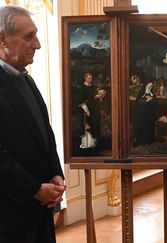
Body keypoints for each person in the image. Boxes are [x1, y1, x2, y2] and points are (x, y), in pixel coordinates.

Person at [0, 6, 65, 243]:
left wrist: (56, 173)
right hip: (9, 219)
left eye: (36, 35)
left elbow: (44, 134)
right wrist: (34, 190)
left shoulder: (26, 79)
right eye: (28, 37)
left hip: (40, 213)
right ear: (2, 39)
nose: (37, 44)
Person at [78, 72, 106, 149]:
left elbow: (93, 97)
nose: (91, 79)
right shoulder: (82, 87)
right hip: (86, 110)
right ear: (85, 78)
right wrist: (87, 111)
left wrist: (101, 96)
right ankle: (87, 144)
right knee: (87, 126)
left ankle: (93, 143)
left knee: (94, 125)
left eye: (91, 78)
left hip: (94, 109)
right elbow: (81, 101)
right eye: (89, 78)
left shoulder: (92, 87)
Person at [133, 82, 158, 146]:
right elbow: (138, 102)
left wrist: (151, 100)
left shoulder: (152, 94)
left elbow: (155, 102)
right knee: (141, 127)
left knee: (149, 126)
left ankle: (148, 140)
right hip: (141, 114)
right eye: (149, 85)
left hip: (149, 115)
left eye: (151, 85)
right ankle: (140, 141)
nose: (150, 86)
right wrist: (147, 101)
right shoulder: (141, 93)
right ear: (146, 85)